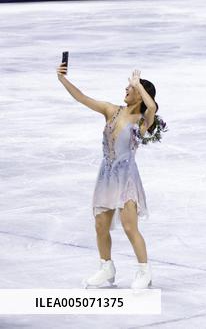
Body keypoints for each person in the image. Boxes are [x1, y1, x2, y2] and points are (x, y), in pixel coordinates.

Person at [57, 65, 165, 290]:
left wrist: (138, 84)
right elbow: (82, 98)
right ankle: (106, 268)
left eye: (131, 87)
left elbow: (152, 105)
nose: (126, 88)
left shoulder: (142, 120)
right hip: (106, 176)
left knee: (129, 227)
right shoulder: (111, 110)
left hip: (126, 179)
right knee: (100, 225)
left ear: (140, 93)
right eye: (128, 85)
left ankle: (144, 271)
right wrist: (62, 79)